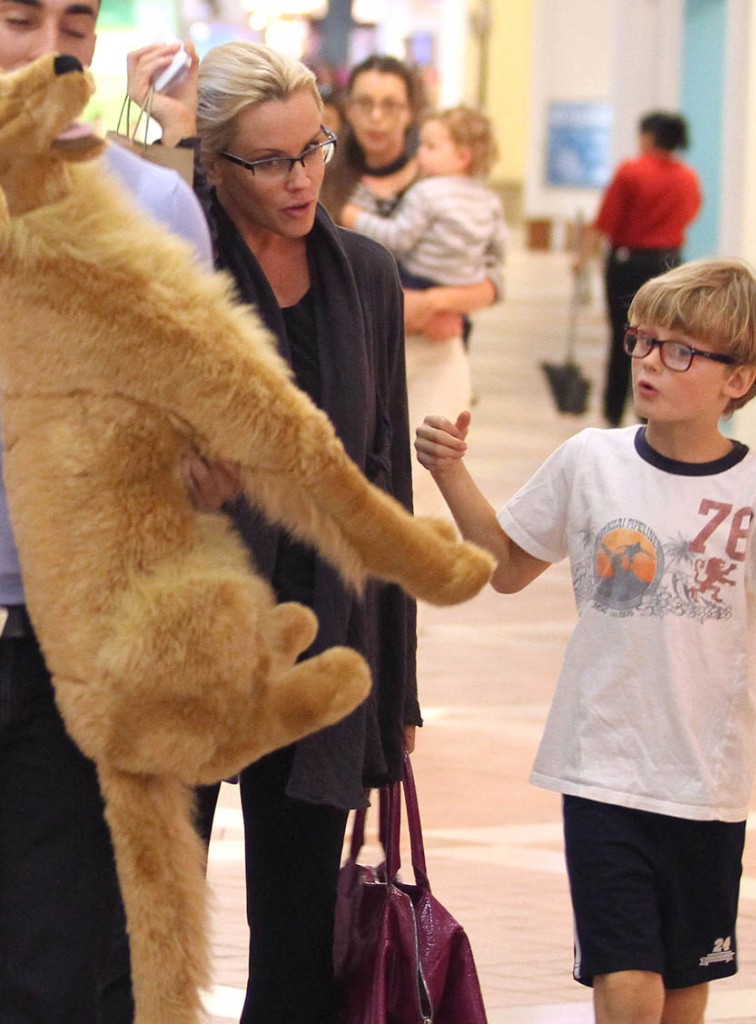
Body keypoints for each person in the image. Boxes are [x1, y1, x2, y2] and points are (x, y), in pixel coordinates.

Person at [414, 258, 756, 1024]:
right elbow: (509, 567)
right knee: (627, 983)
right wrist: (452, 475)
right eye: (643, 341)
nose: (649, 361)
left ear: (737, 381)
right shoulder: (591, 460)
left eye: (679, 351)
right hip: (602, 766)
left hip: (707, 782)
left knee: (682, 993)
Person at [123, 39, 419, 1023]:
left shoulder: (366, 276)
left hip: (319, 639)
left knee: (295, 947)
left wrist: (397, 689)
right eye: (270, 160)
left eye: (313, 150)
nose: (301, 179)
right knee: (152, 929)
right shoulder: (175, 264)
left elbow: (382, 484)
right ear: (213, 164)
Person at [0, 4, 219, 1023]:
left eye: (75, 18)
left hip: (78, 643)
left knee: (59, 964)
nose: (53, 42)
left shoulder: (157, 209)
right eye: (18, 18)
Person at [321, 56, 500, 494]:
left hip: (433, 351)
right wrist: (398, 309)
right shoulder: (321, 178)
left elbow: (493, 279)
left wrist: (434, 304)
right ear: (347, 107)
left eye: (391, 105)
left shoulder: (444, 175)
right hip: (346, 352)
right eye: (364, 103)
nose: (377, 117)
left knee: (428, 484)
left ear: (411, 111)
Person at [339, 104, 507, 443]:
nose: (421, 154)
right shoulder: (489, 200)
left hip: (418, 289)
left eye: (430, 147)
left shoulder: (425, 193)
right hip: (456, 295)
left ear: (462, 156)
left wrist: (355, 216)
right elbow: (494, 259)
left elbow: (397, 239)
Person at [576, 111, 701, 427]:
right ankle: (650, 411)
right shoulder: (687, 178)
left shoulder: (632, 172)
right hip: (670, 264)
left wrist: (582, 258)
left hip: (628, 263)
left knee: (625, 337)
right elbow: (691, 213)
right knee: (661, 339)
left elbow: (605, 221)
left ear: (648, 136)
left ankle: (613, 412)